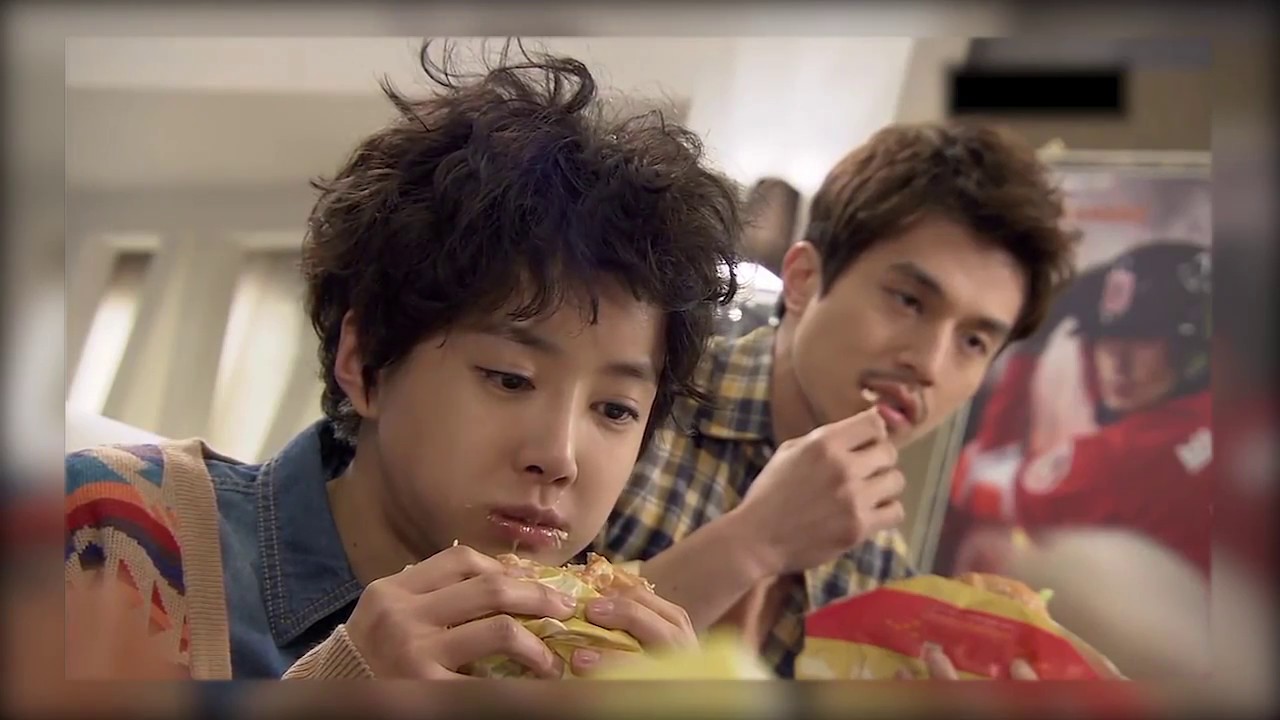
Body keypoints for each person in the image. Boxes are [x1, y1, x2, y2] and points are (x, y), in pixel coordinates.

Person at [63, 42, 744, 680]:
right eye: (510, 379)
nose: (559, 457)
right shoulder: (117, 525)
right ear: (364, 362)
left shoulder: (582, 666)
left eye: (616, 410)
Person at [585, 120, 1078, 678]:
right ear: (802, 280)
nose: (929, 364)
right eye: (909, 301)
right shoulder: (640, 401)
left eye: (973, 342)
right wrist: (753, 542)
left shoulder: (882, 574)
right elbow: (519, 656)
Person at [948, 241, 1213, 577]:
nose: (1117, 363)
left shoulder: (1122, 457)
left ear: (1190, 350)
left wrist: (1031, 349)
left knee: (995, 547)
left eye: (1142, 340)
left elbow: (971, 481)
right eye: (1105, 339)